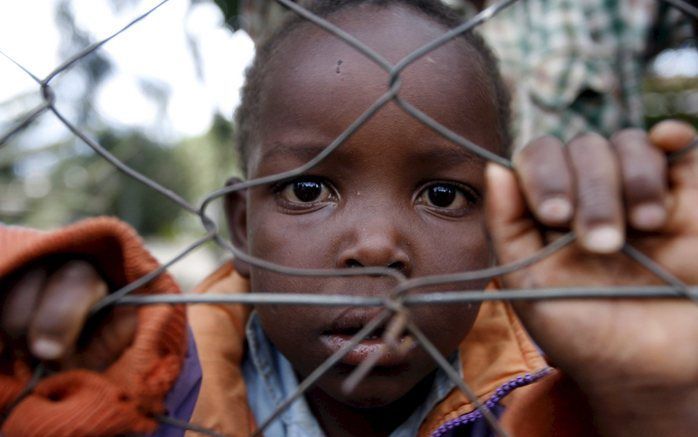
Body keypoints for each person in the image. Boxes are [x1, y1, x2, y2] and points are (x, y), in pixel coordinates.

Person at [1, 0, 698, 436]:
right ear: (240, 226)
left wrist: (649, 404)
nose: (375, 246)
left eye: (444, 195)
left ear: (498, 231)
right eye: (308, 189)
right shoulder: (156, 384)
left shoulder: (560, 393)